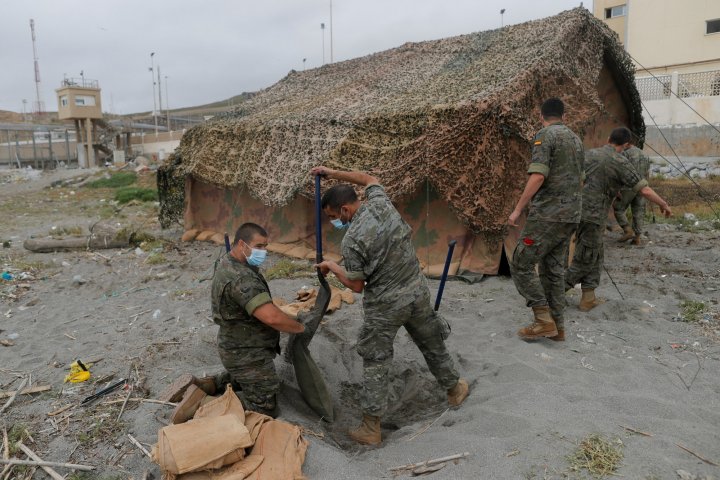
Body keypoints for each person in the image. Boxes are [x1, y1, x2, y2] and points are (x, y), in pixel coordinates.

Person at [310, 166, 469, 446]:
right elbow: (369, 178)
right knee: (431, 342)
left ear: (345, 209)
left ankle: (371, 428)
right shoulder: (381, 202)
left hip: (385, 305)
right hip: (416, 291)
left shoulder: (352, 240)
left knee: (376, 361)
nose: (336, 223)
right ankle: (455, 389)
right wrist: (332, 172)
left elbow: (356, 285)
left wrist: (333, 266)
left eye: (335, 217)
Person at [565, 127, 671, 310]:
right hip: (593, 216)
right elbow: (644, 189)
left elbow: (575, 179)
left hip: (578, 211)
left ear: (608, 138)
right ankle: (550, 293)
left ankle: (588, 298)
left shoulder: (589, 154)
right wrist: (663, 204)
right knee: (585, 258)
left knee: (596, 254)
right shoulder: (619, 161)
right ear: (627, 144)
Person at [209, 222, 307, 416]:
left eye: (265, 247)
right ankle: (206, 403)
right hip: (246, 352)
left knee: (246, 379)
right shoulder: (241, 278)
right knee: (264, 407)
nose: (264, 251)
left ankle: (214, 384)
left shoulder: (227, 262)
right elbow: (271, 317)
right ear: (241, 245)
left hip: (235, 345)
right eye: (259, 246)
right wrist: (300, 328)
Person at [507, 98, 584, 342]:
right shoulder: (576, 140)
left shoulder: (544, 136)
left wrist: (518, 209)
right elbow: (580, 179)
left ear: (542, 116)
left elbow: (538, 175)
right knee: (553, 270)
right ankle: (558, 328)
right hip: (571, 215)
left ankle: (542, 319)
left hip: (547, 216)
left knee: (521, 262)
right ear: (564, 115)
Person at [612, 137, 652, 245]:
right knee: (638, 211)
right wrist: (646, 187)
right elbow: (647, 173)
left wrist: (617, 189)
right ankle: (637, 238)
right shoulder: (644, 155)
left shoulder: (625, 154)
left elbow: (619, 172)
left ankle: (627, 230)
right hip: (642, 186)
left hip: (628, 187)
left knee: (618, 208)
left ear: (626, 143)